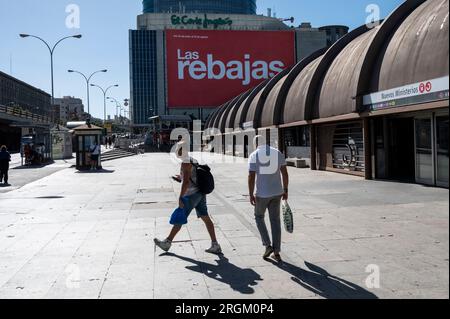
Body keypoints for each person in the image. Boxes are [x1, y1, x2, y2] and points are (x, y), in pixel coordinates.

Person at [154, 141, 222, 254]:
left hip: (191, 195)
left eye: (176, 150)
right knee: (206, 218)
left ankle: (167, 242)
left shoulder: (185, 163)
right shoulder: (192, 160)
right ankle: (215, 244)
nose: (175, 152)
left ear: (181, 151)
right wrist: (179, 177)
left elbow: (186, 182)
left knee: (180, 217)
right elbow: (189, 177)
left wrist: (181, 197)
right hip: (200, 193)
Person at [248, 135, 289, 263]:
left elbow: (251, 176)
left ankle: (267, 245)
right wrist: (285, 190)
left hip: (262, 194)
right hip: (277, 193)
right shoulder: (277, 153)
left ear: (255, 144)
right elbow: (285, 173)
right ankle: (276, 251)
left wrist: (250, 194)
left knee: (259, 217)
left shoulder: (254, 155)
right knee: (275, 221)